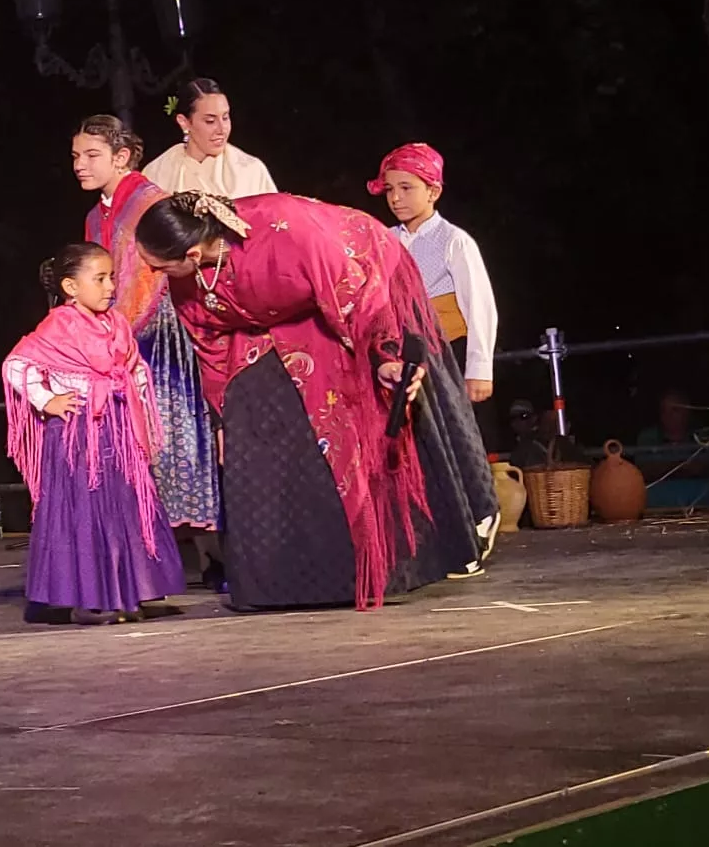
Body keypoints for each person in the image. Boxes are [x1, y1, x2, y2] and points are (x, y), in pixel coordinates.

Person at [135, 191, 490, 611]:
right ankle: (281, 582)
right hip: (269, 316)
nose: (153, 274)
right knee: (254, 419)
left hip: (355, 283)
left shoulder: (293, 236)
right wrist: (223, 418)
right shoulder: (187, 282)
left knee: (352, 407)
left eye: (159, 265)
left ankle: (385, 560)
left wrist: (385, 359)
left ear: (192, 253)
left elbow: (362, 303)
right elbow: (209, 345)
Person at [3, 242, 185, 624]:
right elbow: (17, 363)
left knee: (123, 508)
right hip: (78, 434)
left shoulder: (116, 323)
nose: (109, 286)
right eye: (99, 279)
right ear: (70, 287)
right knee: (84, 513)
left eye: (111, 278)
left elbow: (132, 365)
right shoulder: (59, 325)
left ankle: (127, 591)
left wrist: (137, 403)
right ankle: (85, 599)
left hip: (116, 431)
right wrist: (47, 400)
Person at [75, 115, 220, 538]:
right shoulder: (96, 214)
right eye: (76, 156)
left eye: (91, 155)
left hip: (157, 330)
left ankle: (203, 547)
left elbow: (148, 276)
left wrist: (115, 336)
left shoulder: (149, 202)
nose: (80, 164)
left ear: (121, 158)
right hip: (122, 334)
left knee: (173, 434)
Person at [370, 144, 498, 422]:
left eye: (406, 188)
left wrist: (479, 369)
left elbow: (479, 306)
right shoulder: (385, 240)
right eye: (390, 190)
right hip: (402, 355)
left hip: (446, 350)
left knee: (452, 431)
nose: (395, 198)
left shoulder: (453, 240)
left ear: (433, 191)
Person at [141, 77, 278, 199]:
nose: (222, 129)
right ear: (184, 122)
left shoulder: (251, 170)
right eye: (210, 121)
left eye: (225, 118)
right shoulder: (157, 173)